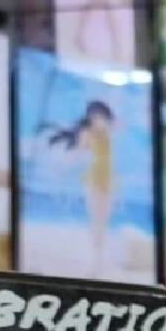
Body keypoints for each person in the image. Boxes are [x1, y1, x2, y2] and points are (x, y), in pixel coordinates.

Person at [48, 100, 116, 277]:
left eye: (101, 116)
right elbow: (77, 155)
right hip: (93, 180)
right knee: (96, 220)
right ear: (90, 117)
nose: (98, 119)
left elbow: (120, 123)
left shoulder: (107, 132)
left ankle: (99, 258)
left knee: (104, 221)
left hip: (108, 180)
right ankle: (96, 260)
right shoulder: (87, 133)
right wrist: (61, 171)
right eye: (95, 116)